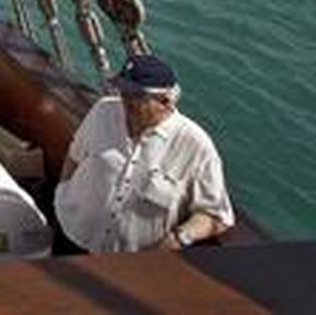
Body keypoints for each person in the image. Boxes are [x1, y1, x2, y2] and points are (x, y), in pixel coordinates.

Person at [54, 53, 234, 253]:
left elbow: (217, 215)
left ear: (166, 101)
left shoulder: (195, 146)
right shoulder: (103, 110)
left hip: (132, 260)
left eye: (136, 95)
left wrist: (179, 238)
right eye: (123, 91)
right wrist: (62, 191)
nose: (125, 100)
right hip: (71, 234)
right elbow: (75, 154)